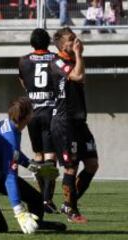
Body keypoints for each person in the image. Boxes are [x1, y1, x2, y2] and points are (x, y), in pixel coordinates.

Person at [0, 97, 64, 233]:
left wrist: (31, 166)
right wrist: (19, 211)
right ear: (27, 116)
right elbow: (10, 177)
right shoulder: (11, 138)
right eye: (31, 111)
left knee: (35, 198)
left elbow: (12, 153)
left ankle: (37, 224)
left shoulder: (7, 124)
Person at [51, 27, 99, 223]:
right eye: (71, 39)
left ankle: (68, 203)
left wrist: (79, 56)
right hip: (64, 122)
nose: (75, 41)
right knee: (71, 166)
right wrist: (79, 54)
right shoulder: (57, 61)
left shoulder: (74, 60)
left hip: (79, 121)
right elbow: (78, 76)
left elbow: (81, 77)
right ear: (62, 45)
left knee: (92, 164)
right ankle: (72, 211)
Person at [18, 28, 59, 214]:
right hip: (51, 111)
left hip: (32, 113)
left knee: (38, 156)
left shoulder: (24, 60)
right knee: (51, 156)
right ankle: (47, 199)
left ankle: (41, 197)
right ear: (48, 42)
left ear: (31, 43)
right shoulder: (56, 59)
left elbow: (23, 82)